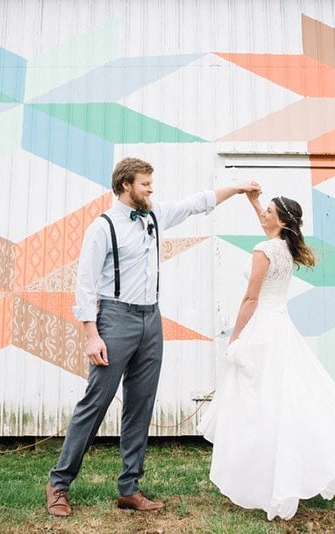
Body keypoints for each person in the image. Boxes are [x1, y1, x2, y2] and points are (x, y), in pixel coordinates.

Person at [46, 157, 261, 517]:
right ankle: (59, 484)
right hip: (114, 318)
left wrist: (237, 189)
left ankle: (129, 487)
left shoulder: (154, 215)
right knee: (95, 404)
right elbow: (85, 285)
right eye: (145, 184)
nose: (151, 189)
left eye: (151, 183)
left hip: (150, 319)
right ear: (125, 186)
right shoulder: (102, 227)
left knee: (140, 404)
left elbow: (197, 203)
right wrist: (90, 334)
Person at [198, 190, 335, 521]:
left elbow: (250, 299)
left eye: (269, 211)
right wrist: (253, 201)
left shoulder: (265, 250)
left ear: (282, 219)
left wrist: (234, 340)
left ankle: (267, 482)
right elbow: (270, 227)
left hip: (262, 330)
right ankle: (273, 478)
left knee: (259, 405)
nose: (264, 214)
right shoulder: (284, 247)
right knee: (277, 403)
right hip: (279, 328)